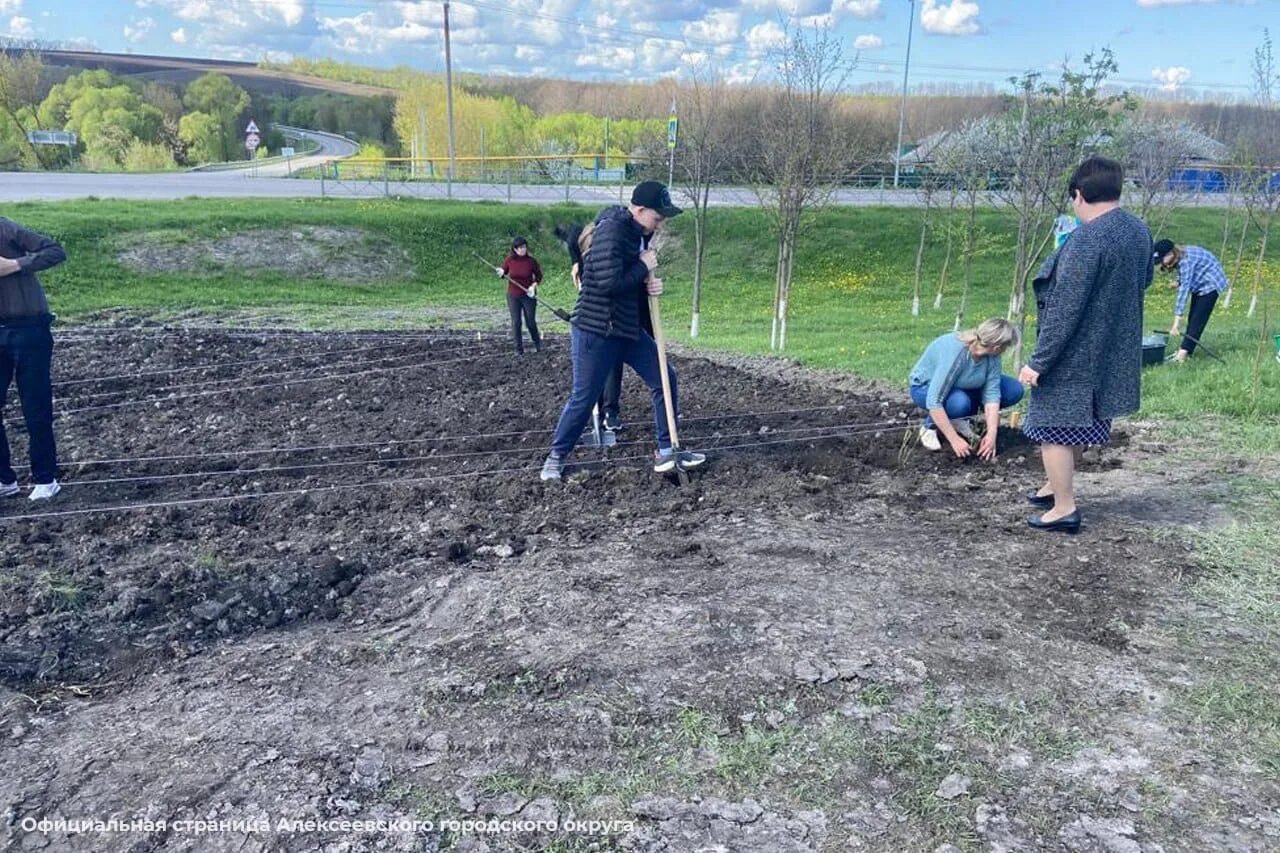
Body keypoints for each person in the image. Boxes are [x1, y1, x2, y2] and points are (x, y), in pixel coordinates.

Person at [1018, 157, 1154, 534]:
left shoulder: (1086, 239)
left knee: (1053, 428)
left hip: (1075, 354)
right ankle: (1053, 484)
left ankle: (1063, 508)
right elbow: (1143, 281)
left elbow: (1064, 307)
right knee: (1079, 424)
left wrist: (1039, 362)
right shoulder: (1138, 231)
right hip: (1114, 347)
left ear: (1078, 195)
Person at [540, 181, 705, 480]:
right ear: (639, 210)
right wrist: (642, 268)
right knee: (584, 396)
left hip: (625, 328)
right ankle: (556, 457)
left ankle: (667, 450)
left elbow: (627, 280)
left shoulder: (640, 233)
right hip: (595, 329)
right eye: (658, 216)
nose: (661, 223)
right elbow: (607, 284)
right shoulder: (613, 230)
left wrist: (648, 284)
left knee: (665, 378)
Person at [559, 220, 652, 433]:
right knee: (590, 378)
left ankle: (610, 412)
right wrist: (576, 264)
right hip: (592, 327)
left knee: (613, 366)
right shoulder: (588, 261)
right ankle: (595, 414)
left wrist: (645, 276)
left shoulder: (616, 259)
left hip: (618, 324)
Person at [0, 217, 67, 501]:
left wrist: (15, 265)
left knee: (35, 407)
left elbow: (55, 251)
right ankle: (4, 480)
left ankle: (45, 479)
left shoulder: (6, 229)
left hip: (29, 329)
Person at [909, 318, 1024, 460]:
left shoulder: (992, 356)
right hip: (925, 388)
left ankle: (957, 419)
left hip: (962, 387)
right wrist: (955, 440)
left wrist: (991, 434)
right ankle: (929, 427)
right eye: (1006, 347)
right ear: (997, 347)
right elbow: (934, 400)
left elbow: (992, 395)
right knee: (959, 403)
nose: (1005, 351)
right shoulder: (957, 352)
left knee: (1013, 390)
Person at [1152, 238, 1229, 362]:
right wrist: (1179, 281)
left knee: (1197, 319)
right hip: (1200, 282)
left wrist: (1176, 324)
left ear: (1170, 253)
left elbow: (1184, 292)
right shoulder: (1179, 258)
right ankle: (1186, 350)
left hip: (1211, 283)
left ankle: (1183, 354)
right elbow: (1187, 274)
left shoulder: (1186, 261)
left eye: (1162, 260)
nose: (1162, 264)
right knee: (1193, 317)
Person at [495, 236, 542, 354]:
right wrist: (500, 272)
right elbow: (503, 272)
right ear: (515, 249)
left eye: (525, 247)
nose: (523, 250)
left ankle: (537, 343)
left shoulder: (531, 261)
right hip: (513, 295)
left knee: (530, 322)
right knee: (516, 322)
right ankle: (518, 349)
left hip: (528, 295)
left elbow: (539, 276)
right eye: (520, 248)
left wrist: (533, 287)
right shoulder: (509, 260)